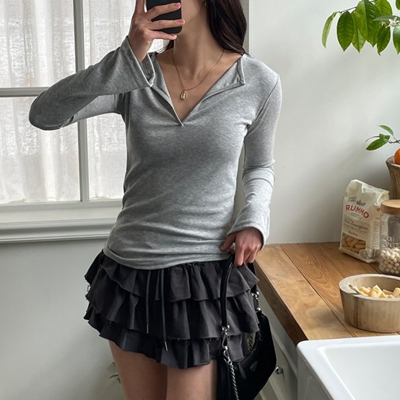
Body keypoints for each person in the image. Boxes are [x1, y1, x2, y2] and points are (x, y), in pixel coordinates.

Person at [29, 0, 282, 398]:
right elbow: (44, 114)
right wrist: (128, 55)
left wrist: (253, 219)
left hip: (202, 276)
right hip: (131, 274)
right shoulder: (135, 73)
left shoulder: (257, 82)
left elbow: (260, 167)